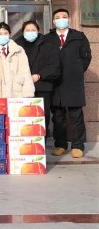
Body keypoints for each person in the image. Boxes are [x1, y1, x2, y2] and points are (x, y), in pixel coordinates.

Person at [44, 9, 92, 158]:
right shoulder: (47, 38)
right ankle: (60, 144)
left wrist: (77, 70)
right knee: (58, 116)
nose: (61, 19)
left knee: (76, 115)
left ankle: (78, 145)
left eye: (64, 17)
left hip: (73, 82)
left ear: (69, 19)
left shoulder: (79, 37)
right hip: (55, 82)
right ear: (53, 21)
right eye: (58, 17)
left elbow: (86, 57)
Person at [15, 20, 61, 137]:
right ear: (23, 32)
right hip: (21, 87)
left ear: (38, 31)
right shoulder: (16, 46)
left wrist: (39, 75)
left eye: (33, 30)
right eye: (27, 30)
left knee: (41, 117)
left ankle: (41, 143)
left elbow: (54, 66)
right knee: (23, 117)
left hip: (42, 86)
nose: (30, 32)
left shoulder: (48, 46)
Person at [0, 22, 35, 99]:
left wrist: (28, 92)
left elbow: (25, 71)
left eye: (5, 33)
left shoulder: (18, 50)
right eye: (0, 34)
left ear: (10, 34)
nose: (3, 36)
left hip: (16, 91)